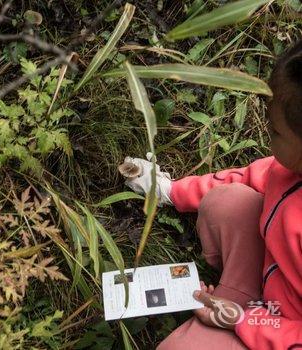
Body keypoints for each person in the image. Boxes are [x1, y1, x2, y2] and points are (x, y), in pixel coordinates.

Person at [124, 40, 302, 349]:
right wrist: (173, 191)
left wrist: (244, 321)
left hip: (280, 328)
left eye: (275, 132)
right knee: (229, 200)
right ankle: (229, 296)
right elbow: (249, 177)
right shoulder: (290, 168)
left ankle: (223, 319)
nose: (266, 133)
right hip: (268, 282)